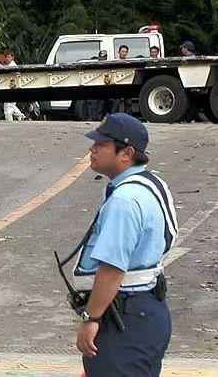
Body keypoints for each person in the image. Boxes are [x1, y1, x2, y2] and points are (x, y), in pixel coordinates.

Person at [71, 113, 178, 376]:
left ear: (126, 153)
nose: (92, 149)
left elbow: (112, 268)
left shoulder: (125, 200)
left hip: (125, 317)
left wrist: (91, 318)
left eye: (101, 144)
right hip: (146, 310)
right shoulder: (151, 183)